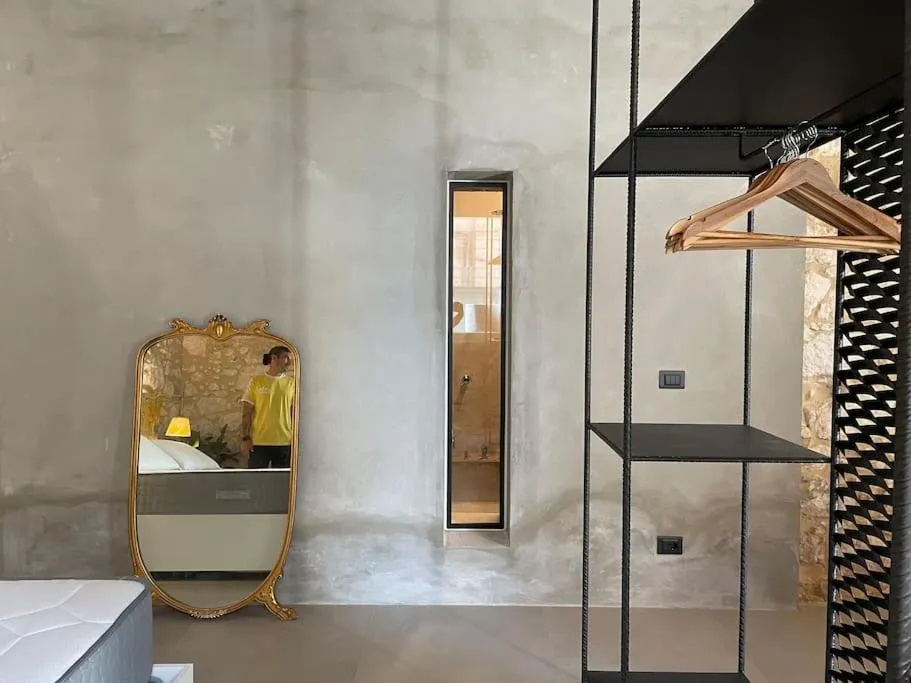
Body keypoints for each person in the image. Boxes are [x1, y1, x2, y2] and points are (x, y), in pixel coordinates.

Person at [241, 346, 295, 469]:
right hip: (258, 442)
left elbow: (294, 414)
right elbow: (246, 412)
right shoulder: (256, 382)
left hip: (284, 442)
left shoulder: (292, 383)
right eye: (286, 358)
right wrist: (245, 438)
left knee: (281, 480)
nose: (289, 362)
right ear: (274, 358)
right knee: (256, 479)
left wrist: (295, 439)